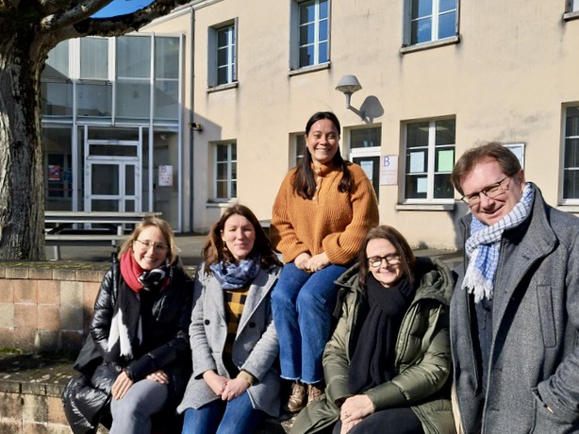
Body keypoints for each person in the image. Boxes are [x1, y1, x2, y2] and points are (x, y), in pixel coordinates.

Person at [450, 142, 579, 433]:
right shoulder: (476, 243)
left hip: (541, 419)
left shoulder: (568, 239)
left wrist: (556, 403)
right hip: (483, 412)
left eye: (494, 187)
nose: (485, 202)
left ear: (519, 178)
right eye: (473, 195)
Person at [290, 225, 456, 434]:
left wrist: (371, 401)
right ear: (367, 264)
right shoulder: (357, 294)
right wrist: (346, 401)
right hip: (355, 393)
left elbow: (435, 368)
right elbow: (335, 351)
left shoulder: (430, 296)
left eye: (392, 256)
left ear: (405, 256)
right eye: (375, 259)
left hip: (417, 401)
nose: (384, 265)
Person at [270, 111, 379, 413]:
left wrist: (327, 255)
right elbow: (279, 223)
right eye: (317, 135)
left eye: (331, 135)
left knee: (310, 298)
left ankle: (314, 379)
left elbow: (363, 227)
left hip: (340, 259)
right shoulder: (293, 178)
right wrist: (299, 254)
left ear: (338, 139)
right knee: (281, 297)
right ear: (307, 139)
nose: (324, 141)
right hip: (302, 258)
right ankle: (294, 377)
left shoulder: (354, 175)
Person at [62, 216, 194, 434]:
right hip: (115, 364)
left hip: (165, 369)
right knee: (123, 403)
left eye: (159, 246)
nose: (151, 252)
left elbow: (181, 339)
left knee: (130, 403)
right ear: (133, 244)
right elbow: (99, 329)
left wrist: (143, 368)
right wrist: (130, 368)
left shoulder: (181, 284)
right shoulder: (115, 276)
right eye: (145, 243)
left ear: (168, 252)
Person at [178, 204, 282, 434]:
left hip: (256, 374)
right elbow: (197, 325)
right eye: (233, 229)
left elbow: (274, 331)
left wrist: (246, 377)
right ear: (222, 235)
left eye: (247, 229)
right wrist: (208, 373)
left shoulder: (274, 273)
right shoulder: (206, 272)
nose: (240, 236)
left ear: (256, 234)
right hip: (212, 370)